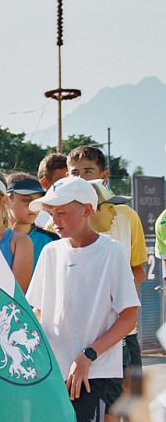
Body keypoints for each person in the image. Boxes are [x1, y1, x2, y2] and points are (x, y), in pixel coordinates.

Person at [26, 175, 140, 422]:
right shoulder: (51, 253)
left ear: (87, 210)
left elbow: (129, 314)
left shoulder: (111, 252)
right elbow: (37, 311)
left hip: (97, 371)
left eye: (63, 213)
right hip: (54, 374)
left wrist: (89, 354)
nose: (55, 220)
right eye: (52, 213)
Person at [67, 145, 147, 371]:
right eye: (74, 172)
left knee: (132, 400)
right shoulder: (59, 221)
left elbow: (138, 270)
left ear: (103, 176)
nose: (80, 178)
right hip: (78, 335)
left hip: (123, 332)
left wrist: (116, 300)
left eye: (87, 171)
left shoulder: (128, 216)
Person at [4, 173, 58, 259]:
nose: (33, 206)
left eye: (37, 201)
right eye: (27, 200)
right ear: (6, 200)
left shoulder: (52, 241)